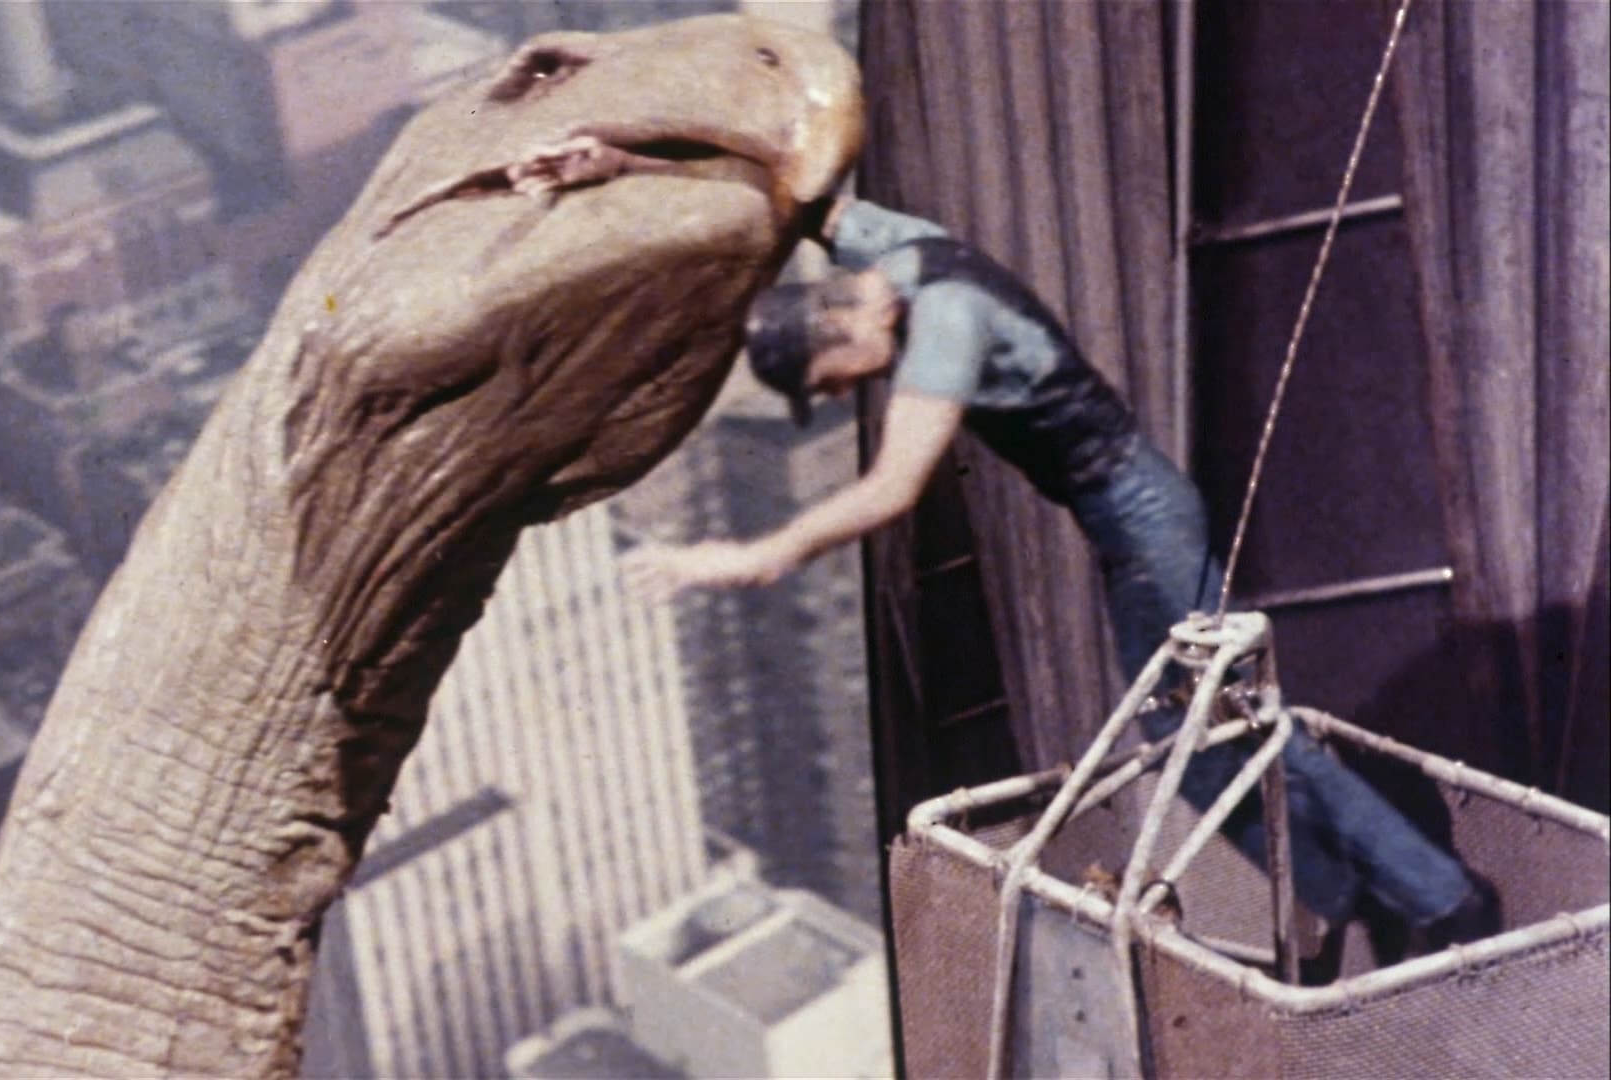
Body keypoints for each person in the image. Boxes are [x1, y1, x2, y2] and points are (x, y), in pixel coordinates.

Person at [619, 194, 1500, 956]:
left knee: (1222, 738)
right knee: (1199, 741)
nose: (844, 394)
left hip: (1141, 520)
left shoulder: (946, 323)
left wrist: (754, 555)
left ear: (839, 326)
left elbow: (891, 487)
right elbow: (804, 202)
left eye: (829, 380)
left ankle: (1434, 897)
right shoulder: (902, 252)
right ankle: (1358, 895)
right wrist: (615, 163)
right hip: (1132, 518)